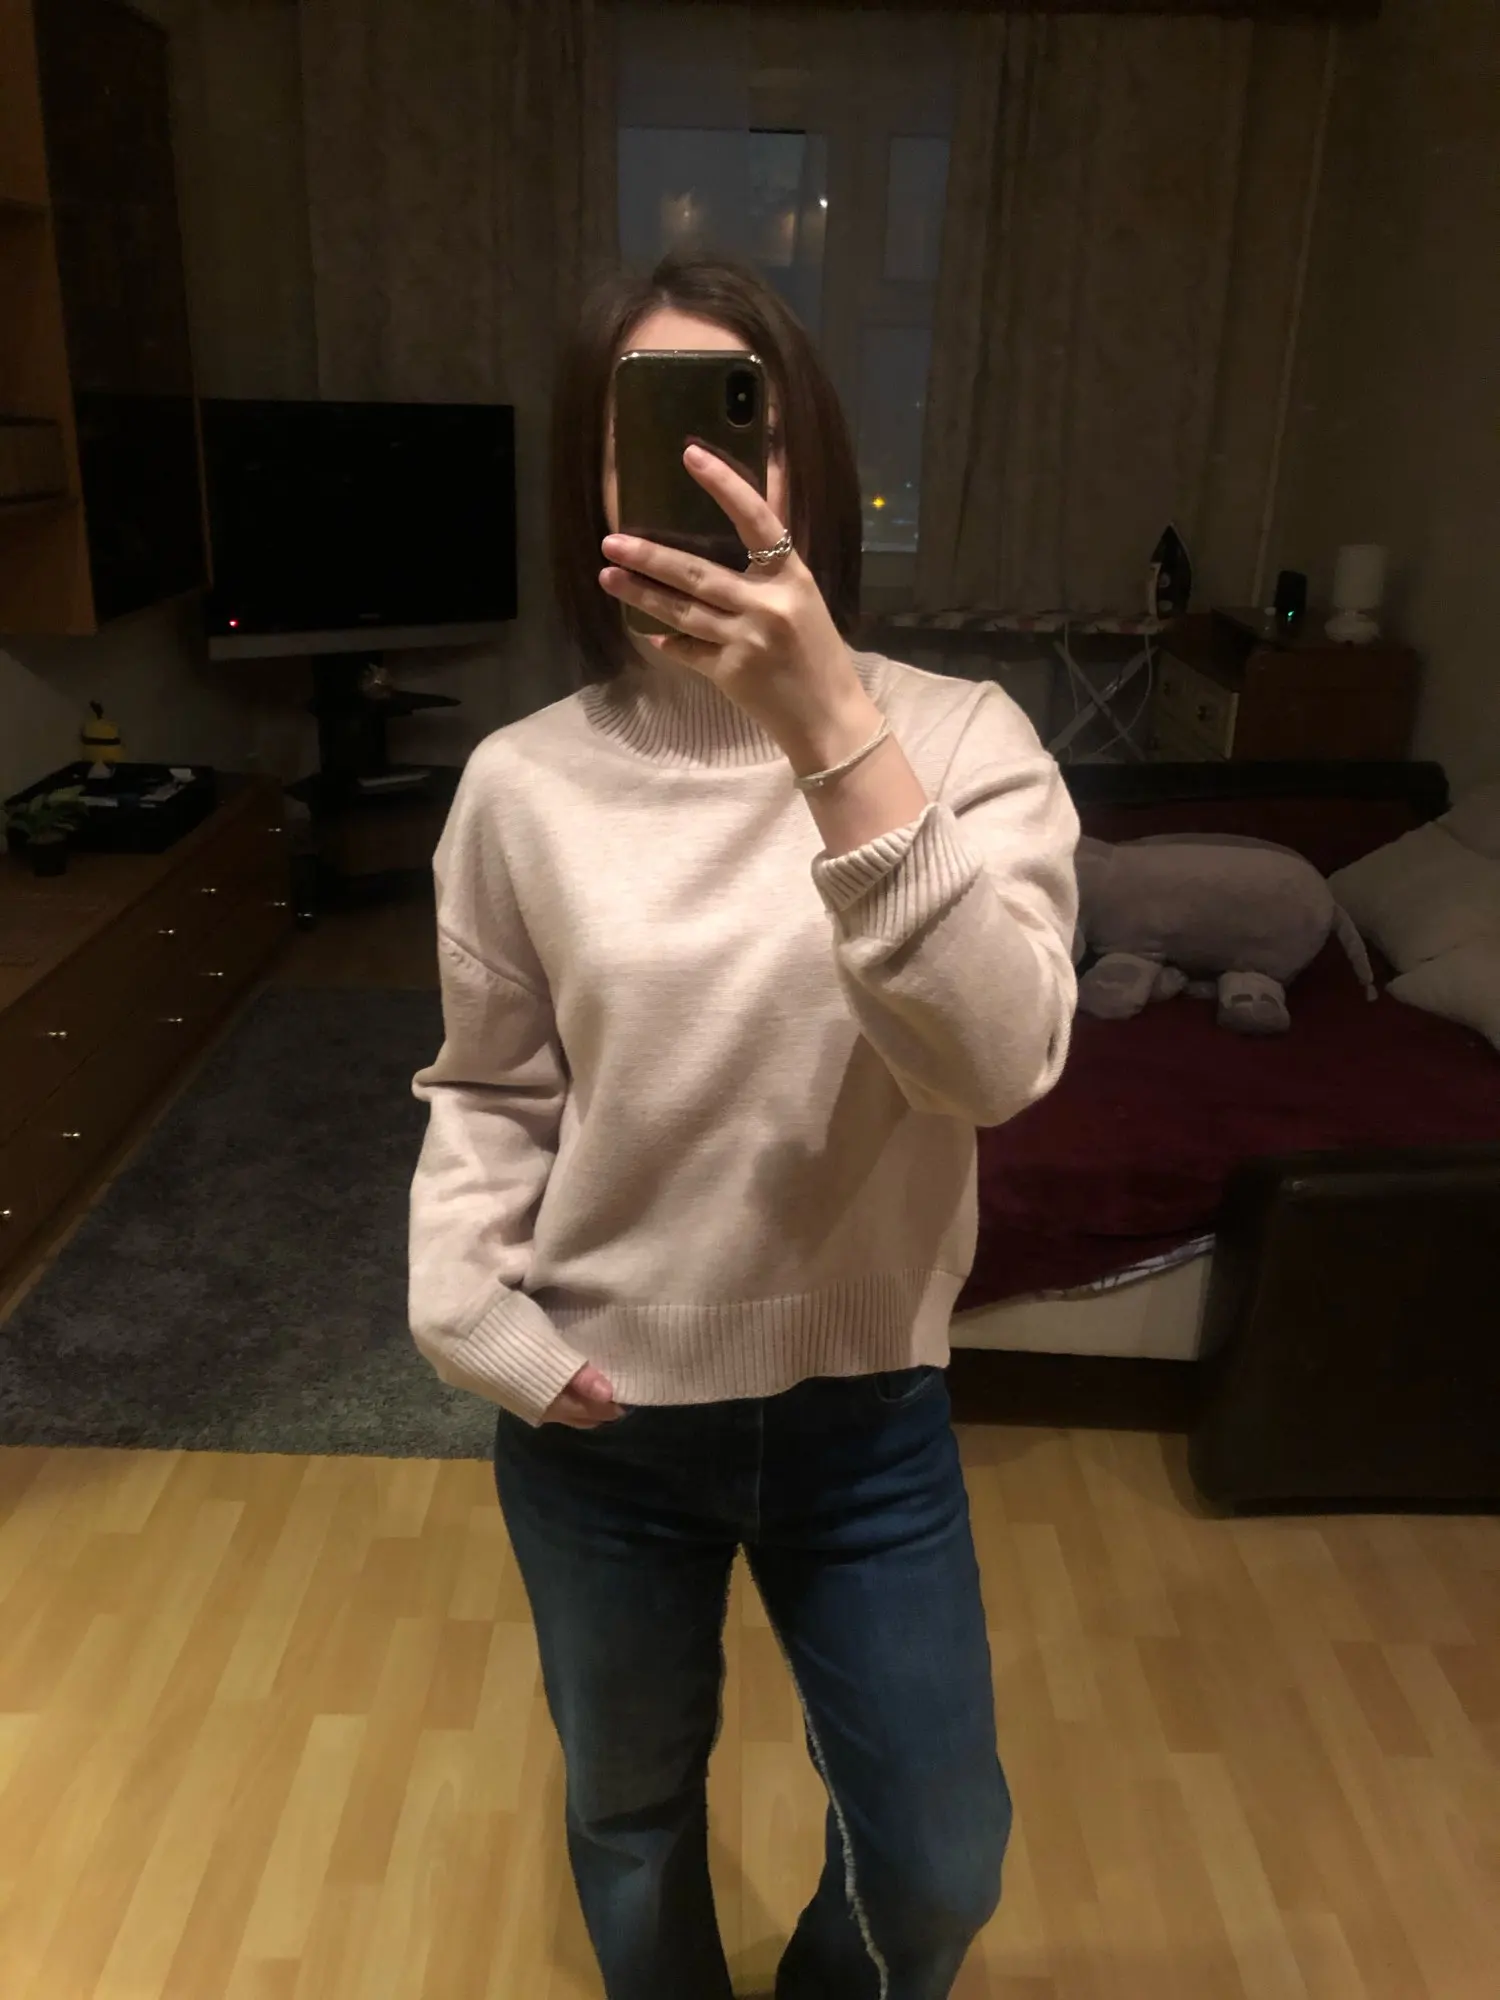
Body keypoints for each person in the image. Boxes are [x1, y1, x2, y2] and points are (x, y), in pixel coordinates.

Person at [408, 251, 1079, 2000]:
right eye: (645, 432)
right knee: (630, 1817)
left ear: (810, 467)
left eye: (743, 426)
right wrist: (471, 1307)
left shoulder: (962, 741)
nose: (702, 473)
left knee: (938, 1864)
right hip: (599, 1416)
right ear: (594, 485)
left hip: (868, 1417)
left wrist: (832, 729)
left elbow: (994, 1065)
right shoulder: (520, 784)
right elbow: (491, 1087)